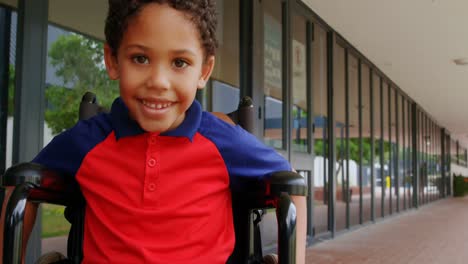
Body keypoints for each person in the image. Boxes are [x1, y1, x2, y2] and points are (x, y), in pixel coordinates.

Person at [3, 0, 306, 263]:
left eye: (179, 62)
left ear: (203, 71)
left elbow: (292, 186)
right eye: (140, 58)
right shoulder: (88, 140)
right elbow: (23, 183)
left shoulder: (223, 141)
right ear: (112, 61)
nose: (159, 81)